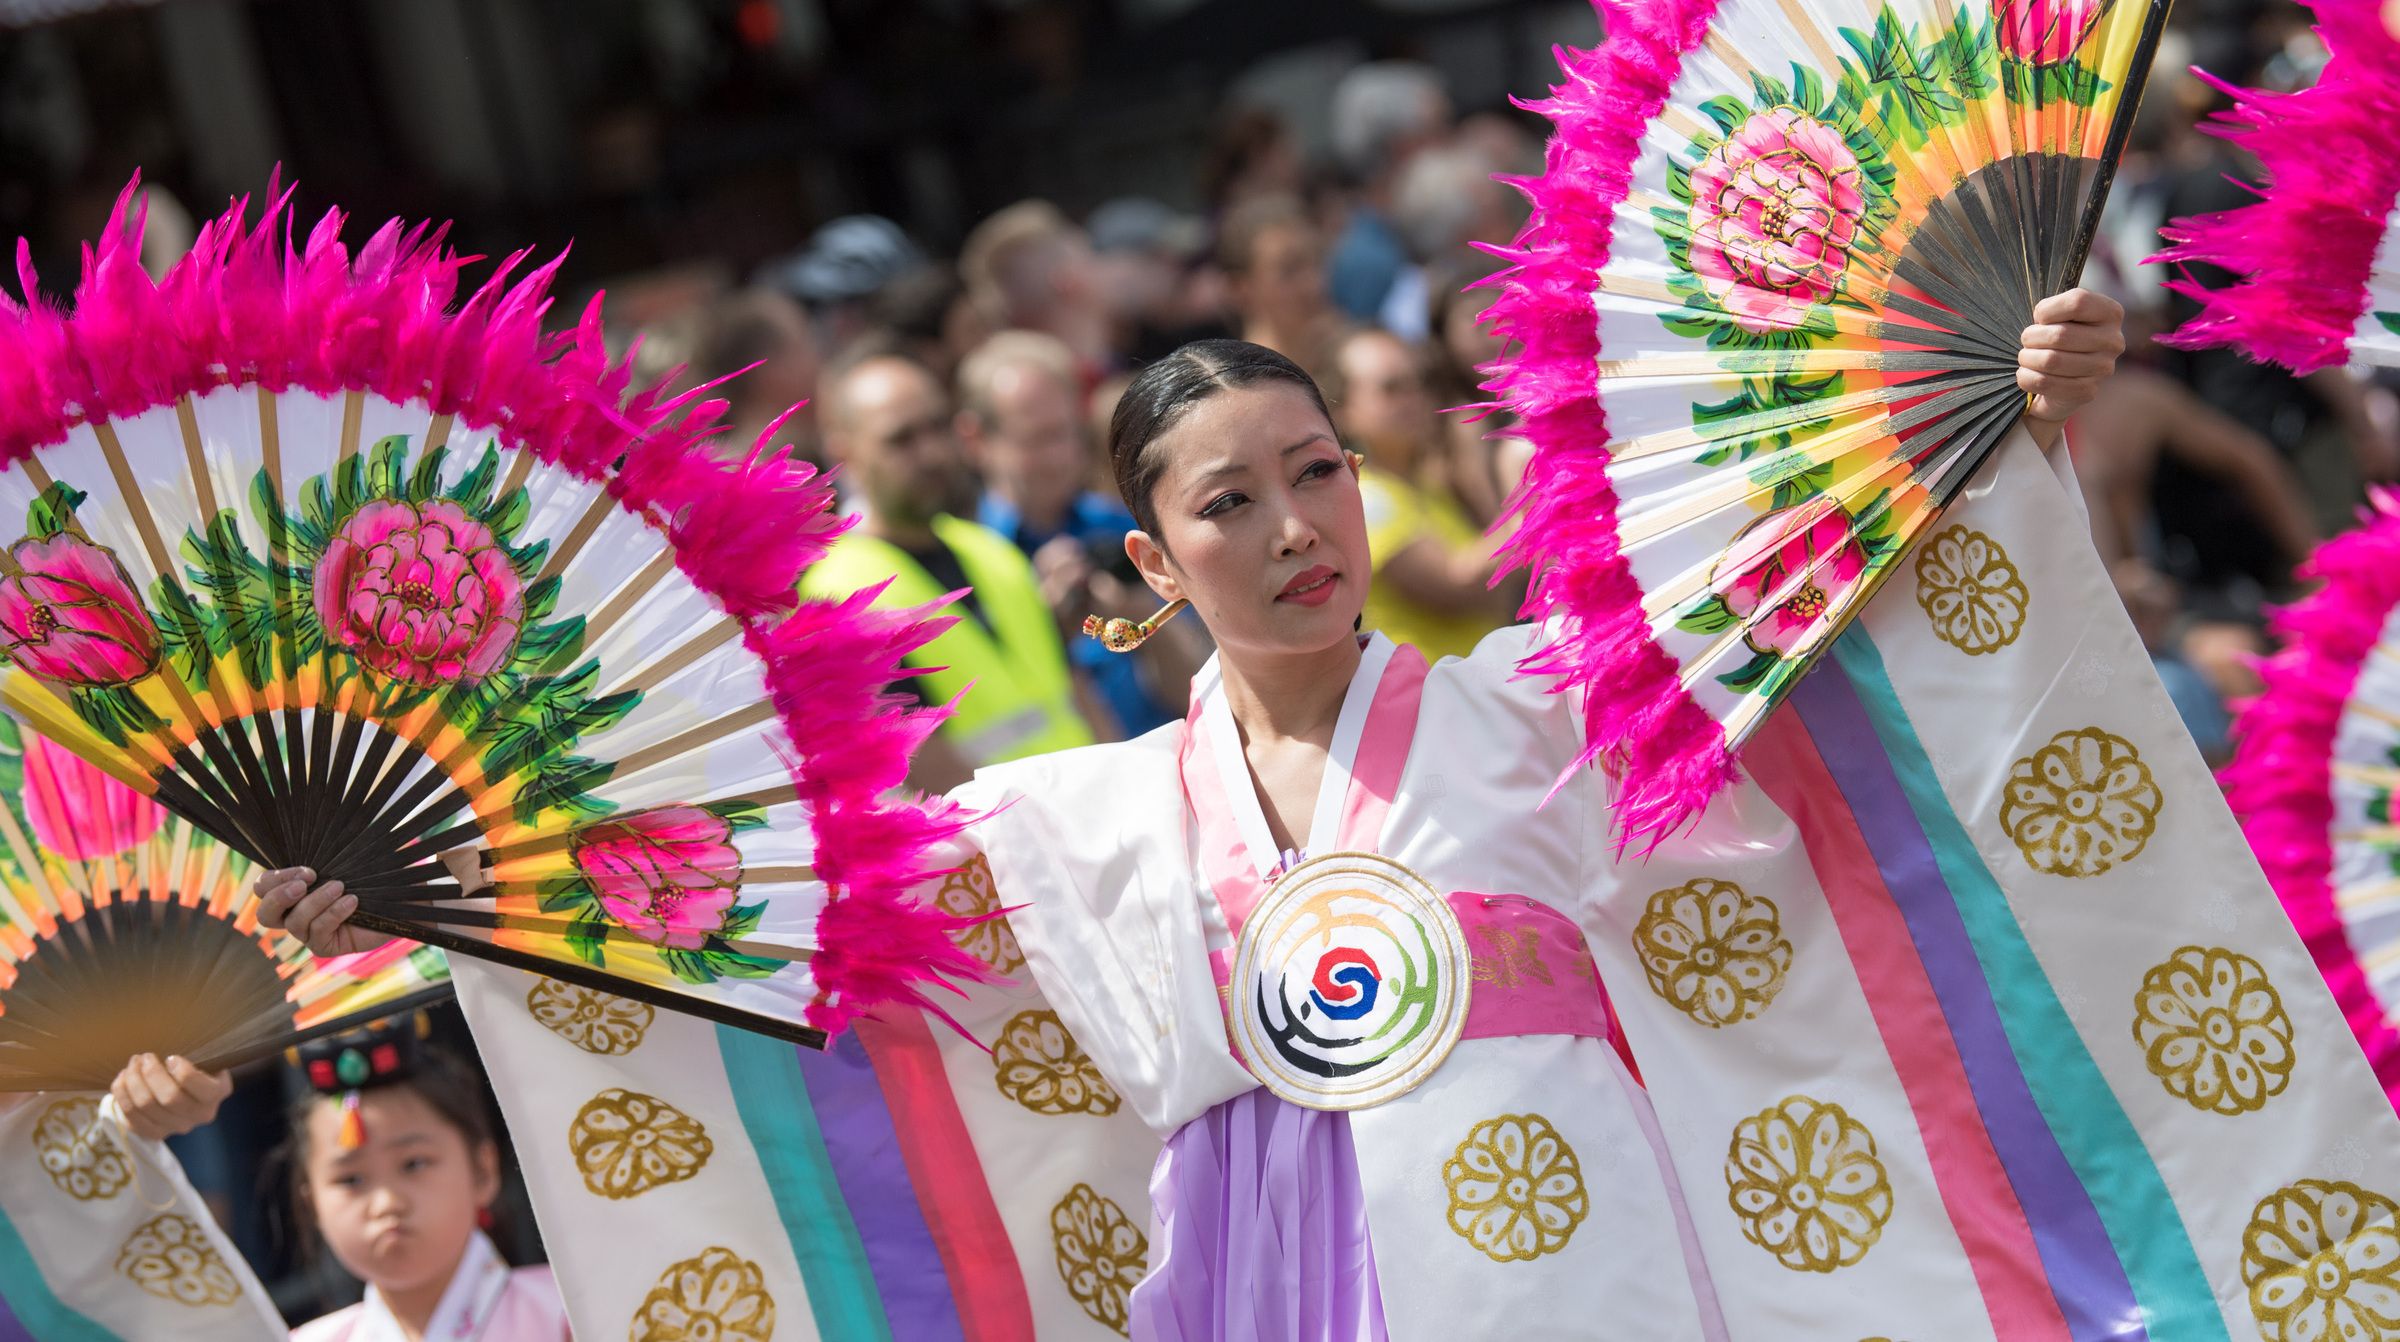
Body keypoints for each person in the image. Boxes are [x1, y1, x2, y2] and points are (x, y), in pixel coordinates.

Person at [268, 299, 2400, 1338]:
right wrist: (431, 879)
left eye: (1319, 471)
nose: (1299, 525)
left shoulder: (1532, 707)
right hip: (1277, 1290)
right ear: (1142, 555)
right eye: (1232, 498)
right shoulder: (1070, 819)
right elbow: (760, 913)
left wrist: (1997, 423)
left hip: (1590, 1272)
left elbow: (1819, 621)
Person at [110, 1016, 568, 1340]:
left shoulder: (576, 1312)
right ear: (311, 1205)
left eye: (414, 1164)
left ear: (483, 1170)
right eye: (350, 1180)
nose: (386, 1202)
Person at [806, 349, 1096, 792]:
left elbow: (1076, 695)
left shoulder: (988, 548)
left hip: (1092, 811)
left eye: (938, 427)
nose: (932, 452)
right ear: (843, 452)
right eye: (901, 439)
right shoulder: (840, 596)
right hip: (995, 847)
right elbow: (925, 774)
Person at [959, 330, 1203, 736]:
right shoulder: (969, 562)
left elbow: (1201, 688)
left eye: (1067, 433)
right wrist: (1045, 635)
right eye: (1036, 439)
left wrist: (1144, 616)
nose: (1060, 456)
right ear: (977, 439)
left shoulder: (1125, 528)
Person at [1331, 326, 1519, 662]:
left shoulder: (1427, 485)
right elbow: (1456, 585)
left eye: (1420, 383)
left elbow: (1496, 589)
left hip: (1469, 691)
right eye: (1392, 388)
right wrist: (1530, 514)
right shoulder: (1363, 496)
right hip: (1427, 702)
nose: (1414, 399)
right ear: (1344, 410)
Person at [1325, 61, 1451, 324]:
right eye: (1436, 131)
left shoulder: (1397, 234)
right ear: (1402, 146)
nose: (1447, 146)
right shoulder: (1369, 259)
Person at [960, 200, 1117, 381]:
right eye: (1094, 255)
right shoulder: (1079, 390)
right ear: (1070, 280)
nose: (1110, 266)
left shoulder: (1016, 385)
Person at [686, 286, 823, 468]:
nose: (817, 358)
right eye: (803, 345)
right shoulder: (788, 469)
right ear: (771, 371)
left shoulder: (720, 466)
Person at [1219, 193, 1341, 387]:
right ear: (1240, 290)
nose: (1314, 283)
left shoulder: (1358, 363)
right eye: (1289, 270)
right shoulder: (1239, 390)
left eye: (1317, 261)